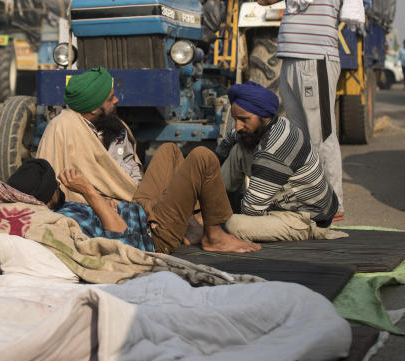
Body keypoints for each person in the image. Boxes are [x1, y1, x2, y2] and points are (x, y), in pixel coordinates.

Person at [36, 67, 259, 253]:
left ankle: (195, 222)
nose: (116, 99)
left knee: (170, 150)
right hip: (143, 223)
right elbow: (80, 198)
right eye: (109, 97)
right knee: (203, 157)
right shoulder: (67, 129)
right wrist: (135, 206)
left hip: (137, 200)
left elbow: (120, 178)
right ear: (94, 107)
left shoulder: (105, 125)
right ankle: (214, 236)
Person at [257, 0, 350, 222]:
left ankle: (332, 203)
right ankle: (312, 197)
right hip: (291, 61)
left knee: (321, 134)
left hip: (316, 61)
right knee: (299, 136)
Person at [215, 82, 343, 241]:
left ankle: (213, 215)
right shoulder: (268, 124)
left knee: (234, 225)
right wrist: (213, 168)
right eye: (235, 119)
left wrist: (213, 220)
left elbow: (251, 209)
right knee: (239, 148)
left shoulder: (275, 148)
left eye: (243, 119)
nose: (238, 126)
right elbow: (229, 139)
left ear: (264, 116)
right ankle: (215, 202)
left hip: (306, 218)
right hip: (281, 203)